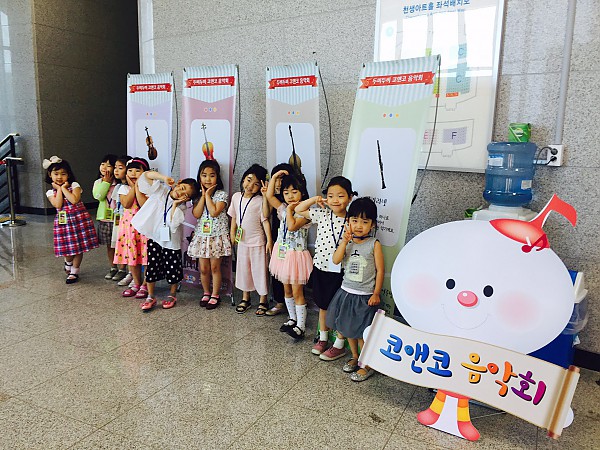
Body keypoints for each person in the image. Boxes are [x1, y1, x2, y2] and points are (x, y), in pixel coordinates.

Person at [295, 176, 355, 355]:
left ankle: (339, 343)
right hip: (321, 268)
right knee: (323, 305)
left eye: (341, 196)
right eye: (330, 196)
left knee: (340, 308)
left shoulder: (353, 220)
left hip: (342, 271)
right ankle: (323, 338)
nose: (335, 200)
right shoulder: (322, 214)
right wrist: (315, 199)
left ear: (350, 198)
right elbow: (298, 209)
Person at [324, 197, 383, 381]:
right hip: (346, 293)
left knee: (362, 333)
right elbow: (335, 260)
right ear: (348, 221)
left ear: (372, 224)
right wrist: (344, 242)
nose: (359, 226)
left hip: (364, 296)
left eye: (364, 222)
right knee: (347, 328)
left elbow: (380, 270)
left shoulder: (374, 244)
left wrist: (376, 293)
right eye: (354, 220)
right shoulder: (347, 241)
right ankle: (355, 357)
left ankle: (366, 365)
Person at [131, 170, 200, 311]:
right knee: (151, 267)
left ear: (187, 199)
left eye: (185, 194)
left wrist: (175, 205)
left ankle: (172, 294)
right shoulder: (161, 191)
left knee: (173, 268)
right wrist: (164, 178)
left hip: (171, 243)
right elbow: (145, 176)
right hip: (155, 238)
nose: (180, 193)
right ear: (178, 183)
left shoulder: (181, 208)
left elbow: (173, 224)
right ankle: (150, 296)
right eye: (181, 188)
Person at [266, 169, 312, 340]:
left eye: (294, 192)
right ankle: (292, 318)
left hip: (296, 256)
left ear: (302, 192)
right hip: (282, 253)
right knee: (286, 288)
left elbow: (292, 226)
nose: (290, 196)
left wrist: (291, 210)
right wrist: (274, 178)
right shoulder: (283, 208)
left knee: (297, 291)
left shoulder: (305, 212)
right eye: (286, 193)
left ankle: (301, 325)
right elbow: (270, 196)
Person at [43, 156, 99, 283]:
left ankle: (74, 271)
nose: (59, 177)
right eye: (56, 174)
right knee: (68, 250)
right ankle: (68, 262)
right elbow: (58, 205)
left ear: (68, 175)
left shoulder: (74, 185)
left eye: (63, 174)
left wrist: (63, 188)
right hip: (64, 224)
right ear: (50, 175)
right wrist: (59, 190)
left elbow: (74, 200)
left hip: (79, 221)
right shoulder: (50, 192)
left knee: (79, 248)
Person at [228, 164, 272, 315]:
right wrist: (232, 233)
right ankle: (245, 298)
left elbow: (265, 219)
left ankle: (263, 300)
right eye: (248, 180)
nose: (250, 186)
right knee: (243, 270)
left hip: (258, 242)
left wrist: (269, 240)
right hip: (242, 242)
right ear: (243, 178)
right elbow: (234, 217)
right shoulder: (236, 197)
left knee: (260, 271)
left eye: (256, 184)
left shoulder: (260, 200)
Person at [187, 159, 231, 310]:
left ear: (217, 177)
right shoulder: (197, 196)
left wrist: (208, 196)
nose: (207, 179)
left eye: (212, 175)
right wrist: (203, 195)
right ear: (199, 177)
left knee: (215, 268)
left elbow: (214, 212)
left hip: (216, 236)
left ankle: (215, 294)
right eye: (204, 175)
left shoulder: (221, 195)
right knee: (204, 268)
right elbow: (196, 214)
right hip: (202, 236)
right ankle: (206, 292)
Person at [262, 163, 296, 317]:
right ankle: (280, 302)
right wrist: (266, 195)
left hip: (294, 243)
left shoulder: (296, 200)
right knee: (278, 271)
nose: (278, 183)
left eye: (282, 179)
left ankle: (296, 305)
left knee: (292, 274)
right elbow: (265, 214)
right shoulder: (277, 200)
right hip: (279, 239)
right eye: (276, 178)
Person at [114, 158, 149, 298]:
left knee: (146, 257)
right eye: (130, 170)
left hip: (145, 227)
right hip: (129, 228)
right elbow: (126, 204)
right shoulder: (123, 188)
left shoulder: (149, 188)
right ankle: (136, 284)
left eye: (137, 170)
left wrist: (139, 187)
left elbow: (144, 205)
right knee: (132, 256)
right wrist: (134, 187)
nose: (133, 173)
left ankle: (146, 285)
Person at [92, 154, 126, 281]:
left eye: (109, 165)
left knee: (120, 244)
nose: (104, 167)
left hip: (119, 219)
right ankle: (113, 267)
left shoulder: (120, 183)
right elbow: (98, 196)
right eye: (102, 164)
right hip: (105, 219)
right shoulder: (98, 182)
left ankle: (122, 269)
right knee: (109, 246)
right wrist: (106, 182)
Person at [111, 155, 133, 287]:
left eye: (120, 167)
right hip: (120, 221)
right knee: (122, 246)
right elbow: (114, 205)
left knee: (131, 248)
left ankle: (131, 273)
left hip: (131, 221)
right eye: (115, 167)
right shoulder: (119, 187)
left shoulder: (132, 187)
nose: (116, 170)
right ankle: (122, 270)